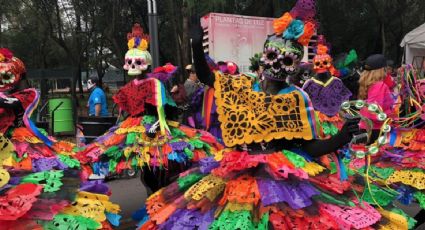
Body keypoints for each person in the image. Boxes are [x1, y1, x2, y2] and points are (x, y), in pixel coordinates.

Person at [76, 24, 222, 193]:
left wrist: (158, 124)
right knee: (145, 167)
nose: (132, 65)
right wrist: (116, 131)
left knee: (158, 166)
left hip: (156, 128)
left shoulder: (154, 84)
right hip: (132, 129)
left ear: (145, 62)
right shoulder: (128, 87)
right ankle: (153, 196)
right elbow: (125, 112)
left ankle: (160, 196)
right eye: (129, 62)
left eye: (136, 62)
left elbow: (165, 109)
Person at [0, 48, 119, 228]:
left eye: (6, 76)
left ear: (17, 76)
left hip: (22, 144)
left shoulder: (26, 95)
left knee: (34, 183)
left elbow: (9, 103)